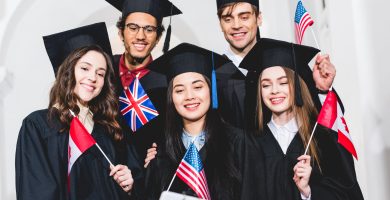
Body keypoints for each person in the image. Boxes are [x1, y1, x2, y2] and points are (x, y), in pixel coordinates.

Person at [15, 22, 143, 200]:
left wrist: (129, 184)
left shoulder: (110, 127)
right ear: (68, 71)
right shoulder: (38, 125)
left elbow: (134, 182)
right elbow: (37, 191)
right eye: (84, 68)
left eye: (100, 73)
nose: (93, 78)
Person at [239, 38, 364, 199]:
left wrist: (308, 192)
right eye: (266, 85)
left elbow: (346, 192)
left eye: (283, 83)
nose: (274, 90)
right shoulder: (251, 143)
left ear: (297, 86)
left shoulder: (320, 138)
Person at [144, 43, 243, 200]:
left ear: (211, 90)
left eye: (197, 87)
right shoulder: (160, 152)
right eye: (179, 90)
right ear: (171, 97)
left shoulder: (238, 143)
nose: (189, 96)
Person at [104, 0, 182, 161]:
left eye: (149, 29)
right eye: (133, 28)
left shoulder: (168, 82)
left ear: (158, 37)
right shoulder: (102, 71)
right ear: (121, 32)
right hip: (100, 172)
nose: (140, 36)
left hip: (145, 176)